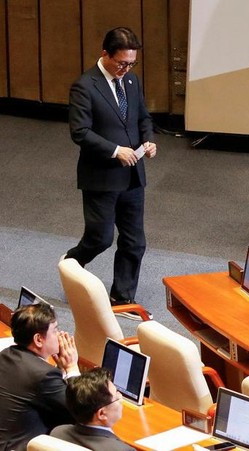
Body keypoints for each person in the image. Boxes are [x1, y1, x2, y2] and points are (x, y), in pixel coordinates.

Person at [65, 26, 157, 319]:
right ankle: (69, 264)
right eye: (121, 63)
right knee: (100, 238)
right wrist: (116, 150)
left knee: (134, 241)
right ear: (105, 54)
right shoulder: (85, 86)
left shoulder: (131, 81)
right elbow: (79, 132)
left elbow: (142, 116)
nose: (126, 69)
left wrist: (148, 139)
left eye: (131, 63)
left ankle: (120, 298)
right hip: (102, 176)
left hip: (132, 175)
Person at [0, 303, 80, 450]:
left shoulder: (6, 354)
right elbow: (80, 412)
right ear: (38, 339)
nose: (60, 335)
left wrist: (61, 369)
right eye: (55, 330)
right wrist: (72, 368)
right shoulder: (43, 374)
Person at [51, 367, 135, 451]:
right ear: (102, 414)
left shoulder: (57, 433)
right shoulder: (122, 449)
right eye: (116, 396)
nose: (120, 396)